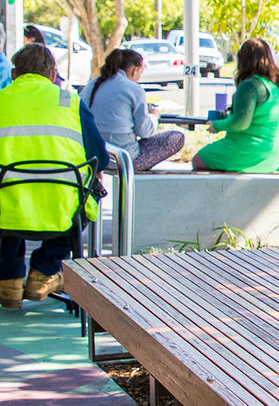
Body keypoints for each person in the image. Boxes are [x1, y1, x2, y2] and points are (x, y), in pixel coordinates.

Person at [0, 43, 109, 308]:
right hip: (61, 205)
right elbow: (100, 157)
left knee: (9, 194)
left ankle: (8, 281)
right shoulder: (70, 102)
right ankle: (44, 269)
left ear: (14, 75)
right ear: (52, 75)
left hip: (6, 206)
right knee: (88, 192)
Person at [192, 37, 279, 173]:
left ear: (243, 60)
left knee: (199, 160)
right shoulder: (277, 86)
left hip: (253, 151)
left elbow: (241, 123)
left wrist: (216, 125)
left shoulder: (250, 85)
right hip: (278, 156)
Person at [83, 48, 185, 170]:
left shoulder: (92, 85)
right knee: (176, 138)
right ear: (135, 70)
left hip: (94, 156)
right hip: (123, 158)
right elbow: (144, 131)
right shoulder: (133, 89)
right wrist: (153, 116)